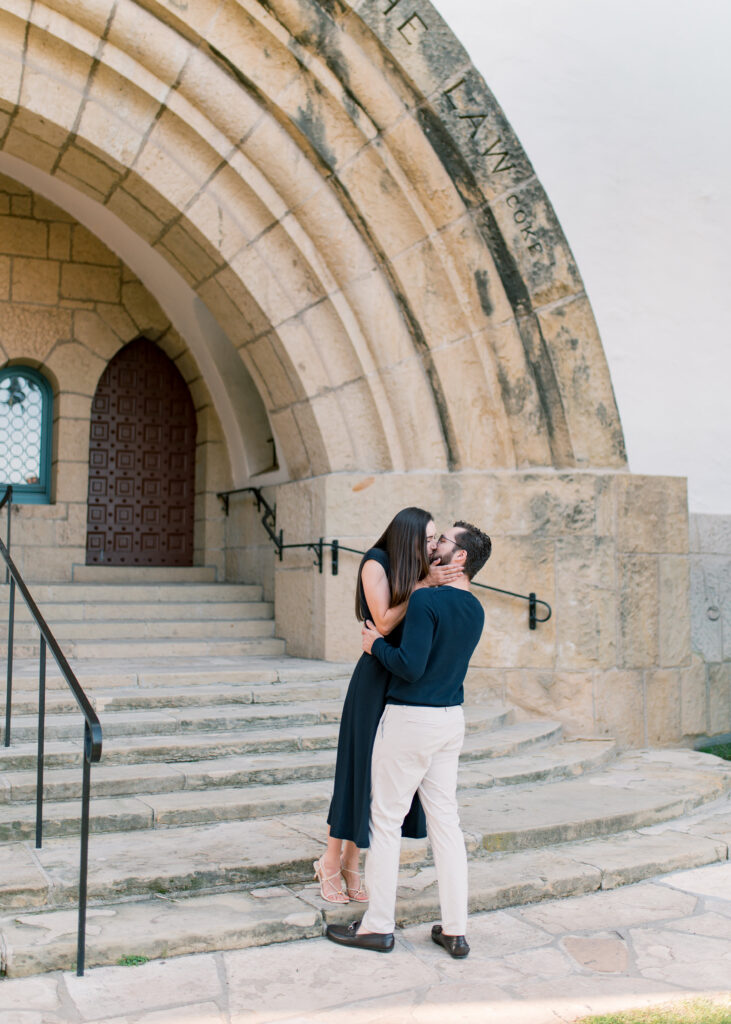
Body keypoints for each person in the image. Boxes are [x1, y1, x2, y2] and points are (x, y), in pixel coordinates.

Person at [325, 520, 492, 956]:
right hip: (450, 720)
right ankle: (455, 930)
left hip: (410, 721)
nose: (434, 544)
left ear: (459, 558)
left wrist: (374, 646)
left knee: (386, 821)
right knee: (447, 825)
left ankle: (377, 926)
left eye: (444, 540)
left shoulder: (425, 600)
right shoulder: (475, 608)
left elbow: (410, 665)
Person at [314, 508, 463, 904]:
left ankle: (352, 862)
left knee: (381, 779)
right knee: (356, 768)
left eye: (436, 540)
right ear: (408, 535)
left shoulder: (421, 570)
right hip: (375, 676)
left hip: (404, 679)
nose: (433, 546)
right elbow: (380, 623)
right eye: (429, 538)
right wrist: (424, 584)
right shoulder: (376, 563)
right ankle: (330, 860)